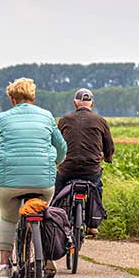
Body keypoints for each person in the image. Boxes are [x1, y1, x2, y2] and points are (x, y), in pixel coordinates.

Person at [0, 77, 67, 278]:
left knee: (8, 218)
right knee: (43, 213)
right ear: (33, 97)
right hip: (43, 181)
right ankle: (47, 258)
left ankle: (4, 266)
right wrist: (56, 161)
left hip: (9, 183)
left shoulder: (2, 118)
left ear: (12, 99)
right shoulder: (46, 116)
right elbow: (62, 148)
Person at [54, 88, 115, 235]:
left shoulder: (64, 120)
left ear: (75, 103)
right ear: (91, 103)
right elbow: (109, 146)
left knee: (57, 191)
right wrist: (107, 158)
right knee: (97, 187)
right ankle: (93, 224)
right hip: (91, 171)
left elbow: (55, 144)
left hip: (67, 169)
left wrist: (56, 160)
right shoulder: (101, 121)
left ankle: (55, 220)